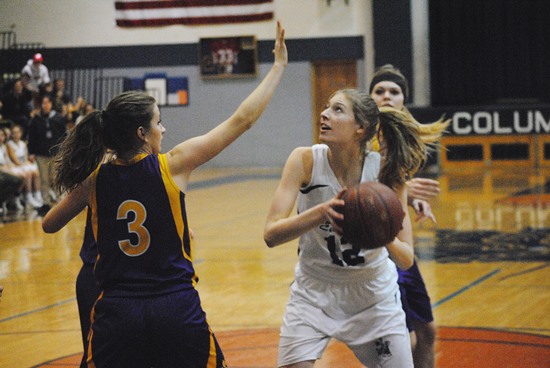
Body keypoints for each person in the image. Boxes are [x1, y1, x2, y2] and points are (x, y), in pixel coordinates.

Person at [42, 21, 287, 368]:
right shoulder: (172, 165)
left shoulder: (95, 180)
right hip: (174, 306)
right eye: (159, 122)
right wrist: (277, 66)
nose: (164, 128)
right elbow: (243, 119)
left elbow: (50, 225)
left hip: (117, 312)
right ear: (142, 133)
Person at [264, 86, 446, 367]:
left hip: (373, 295)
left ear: (360, 128)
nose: (324, 114)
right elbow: (271, 235)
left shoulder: (386, 170)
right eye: (326, 107)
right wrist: (321, 212)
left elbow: (406, 258)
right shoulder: (305, 160)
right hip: (313, 292)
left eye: (337, 110)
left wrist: (380, 232)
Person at [369, 64, 449, 368]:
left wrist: (410, 199)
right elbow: (358, 189)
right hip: (376, 249)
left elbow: (393, 191)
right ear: (369, 97)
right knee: (403, 340)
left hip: (401, 250)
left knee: (428, 332)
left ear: (404, 100)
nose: (387, 96)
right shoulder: (360, 136)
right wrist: (403, 188)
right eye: (380, 91)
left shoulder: (403, 140)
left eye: (394, 91)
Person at [27, 94, 67, 216]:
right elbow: (31, 137)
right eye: (43, 103)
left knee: (55, 178)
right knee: (44, 179)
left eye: (47, 103)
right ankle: (46, 203)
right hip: (41, 153)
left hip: (55, 153)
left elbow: (64, 136)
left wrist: (64, 150)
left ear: (51, 104)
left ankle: (62, 203)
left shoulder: (58, 118)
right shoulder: (36, 119)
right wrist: (31, 152)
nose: (45, 105)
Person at [6, 124, 43, 208]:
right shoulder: (9, 144)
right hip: (15, 166)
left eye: (18, 132)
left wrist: (27, 163)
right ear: (11, 134)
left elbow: (26, 158)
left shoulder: (23, 143)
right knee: (28, 173)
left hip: (22, 164)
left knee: (36, 172)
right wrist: (25, 164)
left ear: (21, 133)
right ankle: (28, 196)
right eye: (14, 133)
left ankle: (37, 195)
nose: (16, 135)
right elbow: (15, 161)